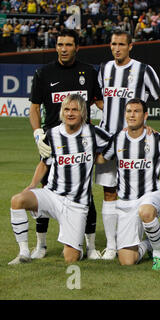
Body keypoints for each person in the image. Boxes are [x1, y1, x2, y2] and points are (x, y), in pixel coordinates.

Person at [29, 29, 104, 260]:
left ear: (76, 47)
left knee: (86, 195)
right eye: (60, 44)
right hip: (54, 143)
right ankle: (41, 245)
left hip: (82, 143)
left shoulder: (89, 72)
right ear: (56, 46)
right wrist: (37, 134)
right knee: (45, 191)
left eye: (68, 45)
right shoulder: (44, 73)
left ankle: (90, 246)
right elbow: (34, 107)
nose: (63, 48)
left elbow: (101, 103)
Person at [8, 94, 110, 265]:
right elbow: (44, 163)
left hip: (77, 205)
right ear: (62, 111)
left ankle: (78, 246)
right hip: (52, 196)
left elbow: (116, 143)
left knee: (71, 258)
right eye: (67, 109)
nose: (70, 113)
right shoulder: (53, 133)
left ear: (83, 112)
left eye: (75, 110)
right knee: (18, 200)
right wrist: (32, 185)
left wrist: (102, 157)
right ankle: (24, 252)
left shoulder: (93, 133)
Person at [96, 30, 160, 260]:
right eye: (113, 44)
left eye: (121, 44)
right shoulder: (104, 69)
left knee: (136, 191)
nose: (117, 48)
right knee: (109, 192)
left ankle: (139, 236)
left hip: (135, 141)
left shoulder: (143, 70)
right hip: (107, 139)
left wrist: (148, 125)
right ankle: (112, 244)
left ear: (130, 46)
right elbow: (99, 98)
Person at [98, 99, 160, 268]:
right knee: (127, 261)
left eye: (136, 111)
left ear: (145, 115)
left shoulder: (155, 138)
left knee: (146, 211)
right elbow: (103, 158)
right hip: (125, 203)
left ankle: (158, 253)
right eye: (129, 111)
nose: (132, 115)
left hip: (150, 195)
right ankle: (147, 244)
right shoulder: (117, 139)